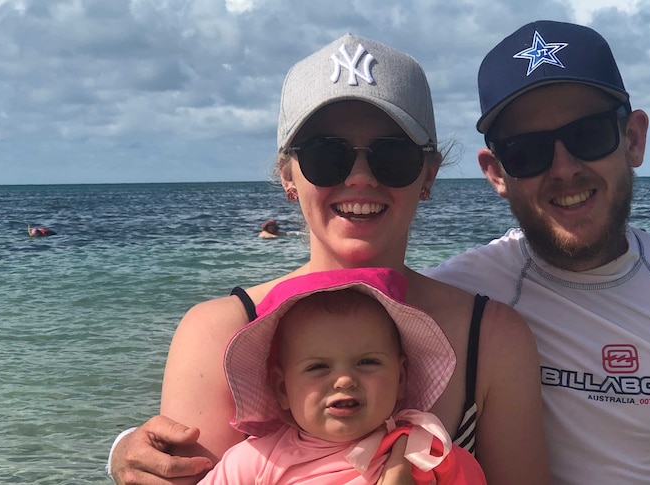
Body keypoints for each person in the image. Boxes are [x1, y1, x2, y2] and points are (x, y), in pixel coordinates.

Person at [107, 33, 550, 485]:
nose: (359, 177)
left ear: (428, 174)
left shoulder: (492, 339)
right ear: (288, 175)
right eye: (326, 156)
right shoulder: (216, 334)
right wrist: (122, 452)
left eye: (392, 155)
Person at [424, 20, 650, 484]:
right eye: (527, 151)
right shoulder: (454, 299)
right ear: (496, 173)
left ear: (633, 139)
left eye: (588, 135)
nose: (564, 169)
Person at [198, 267, 485, 484]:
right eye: (318, 367)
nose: (345, 380)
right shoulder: (253, 463)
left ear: (401, 378)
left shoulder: (428, 455)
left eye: (367, 362)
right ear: (282, 389)